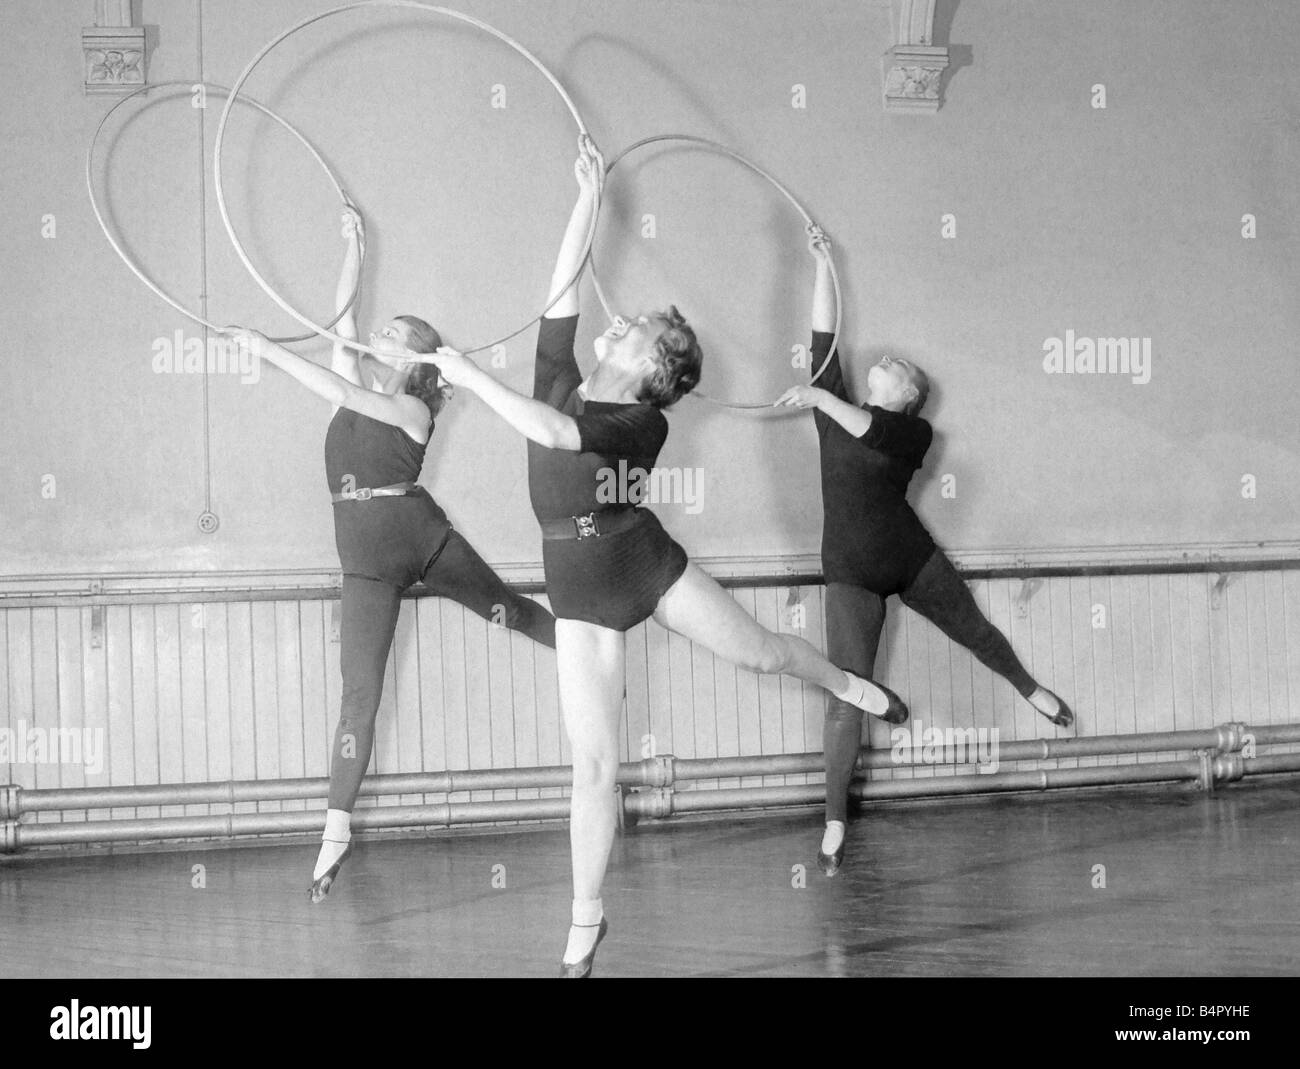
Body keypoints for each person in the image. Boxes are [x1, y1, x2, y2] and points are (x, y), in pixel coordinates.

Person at [415, 140, 906, 977]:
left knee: (759, 652)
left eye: (638, 326)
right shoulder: (560, 372)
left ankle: (845, 683)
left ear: (653, 367)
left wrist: (465, 370)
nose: (623, 320)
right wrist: (588, 197)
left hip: (642, 562)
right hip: (576, 585)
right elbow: (561, 286)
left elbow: (554, 434)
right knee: (595, 765)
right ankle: (584, 919)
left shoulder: (643, 425)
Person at [223, 205, 556, 904]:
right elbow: (341, 322)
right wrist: (354, 244)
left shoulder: (415, 411)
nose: (377, 337)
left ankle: (581, 644)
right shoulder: (367, 383)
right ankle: (335, 829)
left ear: (416, 359)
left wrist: (266, 349)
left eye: (394, 334)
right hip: (365, 561)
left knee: (509, 610)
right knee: (358, 696)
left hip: (421, 539)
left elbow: (339, 384)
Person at [774, 227, 1074, 878]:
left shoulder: (912, 430)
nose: (881, 364)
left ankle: (1032, 688)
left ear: (906, 394)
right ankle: (833, 820)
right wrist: (821, 262)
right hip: (850, 570)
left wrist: (823, 396)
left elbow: (871, 428)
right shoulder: (836, 412)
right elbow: (824, 335)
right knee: (844, 693)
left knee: (974, 628)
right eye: (880, 365)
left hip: (907, 554)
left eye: (894, 369)